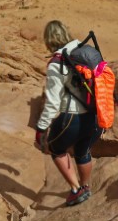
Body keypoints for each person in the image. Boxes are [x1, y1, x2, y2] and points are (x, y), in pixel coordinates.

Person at [34, 20, 103, 207]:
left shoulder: (57, 62)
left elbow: (53, 102)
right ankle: (86, 186)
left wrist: (41, 128)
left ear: (49, 40)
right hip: (96, 116)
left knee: (56, 149)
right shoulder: (86, 52)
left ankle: (75, 189)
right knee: (83, 151)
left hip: (72, 117)